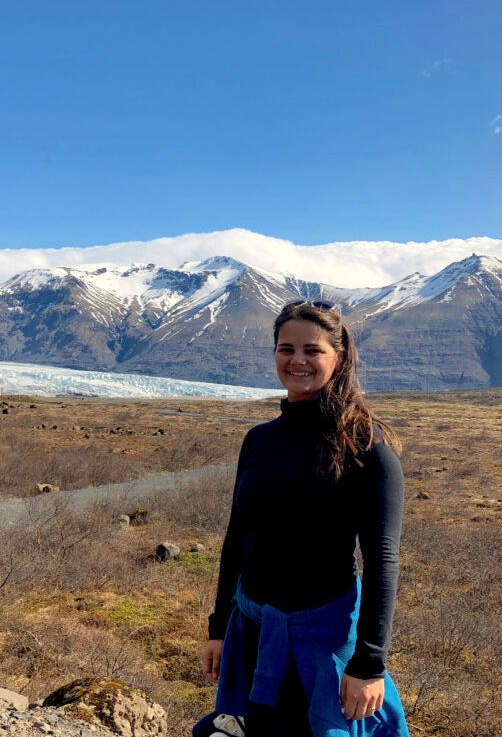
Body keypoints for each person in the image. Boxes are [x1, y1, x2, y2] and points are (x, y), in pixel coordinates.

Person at [196, 299, 408, 737]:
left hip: (323, 640)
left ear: (339, 358)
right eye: (286, 349)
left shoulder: (367, 448)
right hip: (253, 632)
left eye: (313, 350)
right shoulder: (258, 441)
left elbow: (383, 559)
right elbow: (237, 540)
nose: (298, 360)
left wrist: (369, 663)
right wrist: (218, 630)